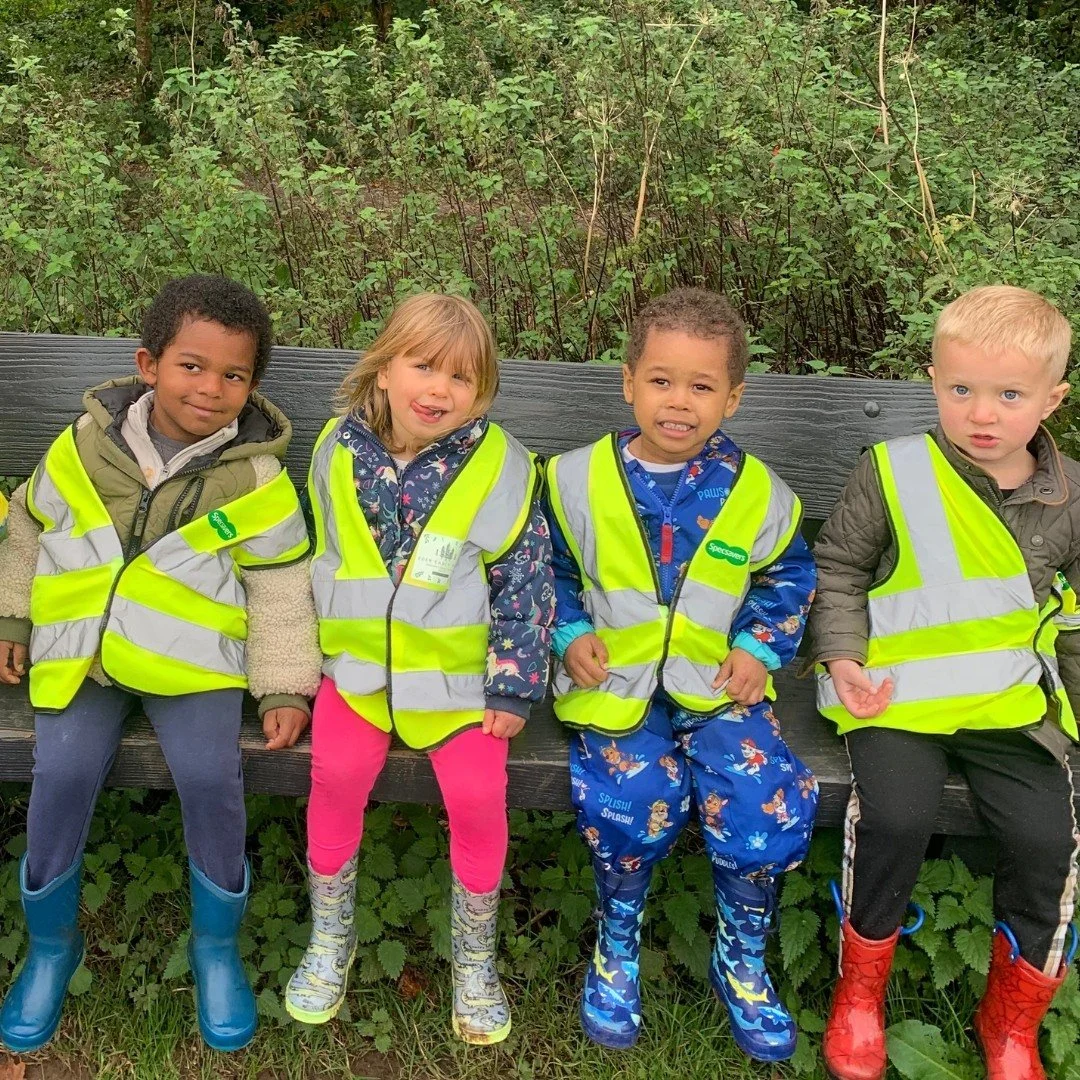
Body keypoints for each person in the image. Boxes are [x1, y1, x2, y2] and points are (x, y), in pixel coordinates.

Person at [0, 275, 321, 1053]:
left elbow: (278, 586)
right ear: (149, 364)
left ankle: (216, 948)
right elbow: (29, 522)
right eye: (191, 365)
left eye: (234, 375)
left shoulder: (257, 480)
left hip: (194, 669)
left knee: (213, 778)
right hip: (85, 655)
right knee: (63, 770)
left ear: (252, 386)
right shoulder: (81, 448)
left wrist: (284, 684)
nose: (211, 388)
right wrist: (16, 613)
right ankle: (50, 947)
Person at [811, 284, 1080, 1080]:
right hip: (896, 699)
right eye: (960, 389)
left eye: (1008, 394)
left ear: (1053, 400)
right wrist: (843, 660)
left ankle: (1012, 1020)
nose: (981, 413)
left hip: (1011, 708)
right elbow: (841, 569)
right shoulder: (893, 471)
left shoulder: (1070, 499)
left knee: (1048, 841)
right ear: (932, 381)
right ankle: (859, 996)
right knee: (895, 817)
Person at [546, 287, 818, 1060]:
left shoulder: (759, 493)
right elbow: (550, 571)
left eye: (702, 387)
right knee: (632, 797)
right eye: (662, 380)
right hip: (614, 686)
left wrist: (760, 649)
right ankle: (617, 945)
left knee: (762, 806)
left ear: (732, 397)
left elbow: (787, 580)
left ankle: (742, 956)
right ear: (629, 381)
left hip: (719, 687)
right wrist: (568, 633)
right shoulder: (575, 480)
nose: (679, 401)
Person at [286, 292, 554, 1045]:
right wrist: (308, 669)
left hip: (464, 686)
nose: (439, 390)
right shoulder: (337, 449)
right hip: (361, 677)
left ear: (484, 390)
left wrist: (512, 682)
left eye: (462, 378)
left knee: (476, 796)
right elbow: (327, 560)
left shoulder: (498, 463)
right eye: (424, 366)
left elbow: (525, 576)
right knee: (334, 777)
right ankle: (330, 941)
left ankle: (475, 960)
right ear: (384, 367)